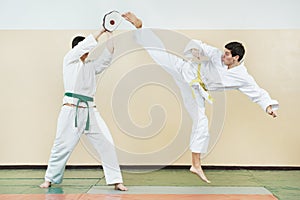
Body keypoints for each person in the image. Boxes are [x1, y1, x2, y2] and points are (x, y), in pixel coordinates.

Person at [122, 12, 279, 183]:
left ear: (236, 58)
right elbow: (197, 45)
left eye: (227, 55)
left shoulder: (242, 77)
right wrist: (196, 53)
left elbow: (256, 91)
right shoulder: (216, 55)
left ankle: (196, 165)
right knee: (159, 53)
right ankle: (140, 28)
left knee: (202, 123)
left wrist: (268, 106)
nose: (223, 55)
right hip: (185, 69)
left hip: (195, 90)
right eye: (224, 52)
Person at [39, 26, 127, 191]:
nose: (86, 53)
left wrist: (109, 34)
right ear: (76, 49)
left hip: (90, 110)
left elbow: (107, 57)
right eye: (83, 49)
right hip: (70, 110)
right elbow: (84, 46)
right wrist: (101, 30)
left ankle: (116, 180)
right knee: (61, 145)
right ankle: (49, 179)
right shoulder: (69, 61)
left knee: (107, 143)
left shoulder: (91, 66)